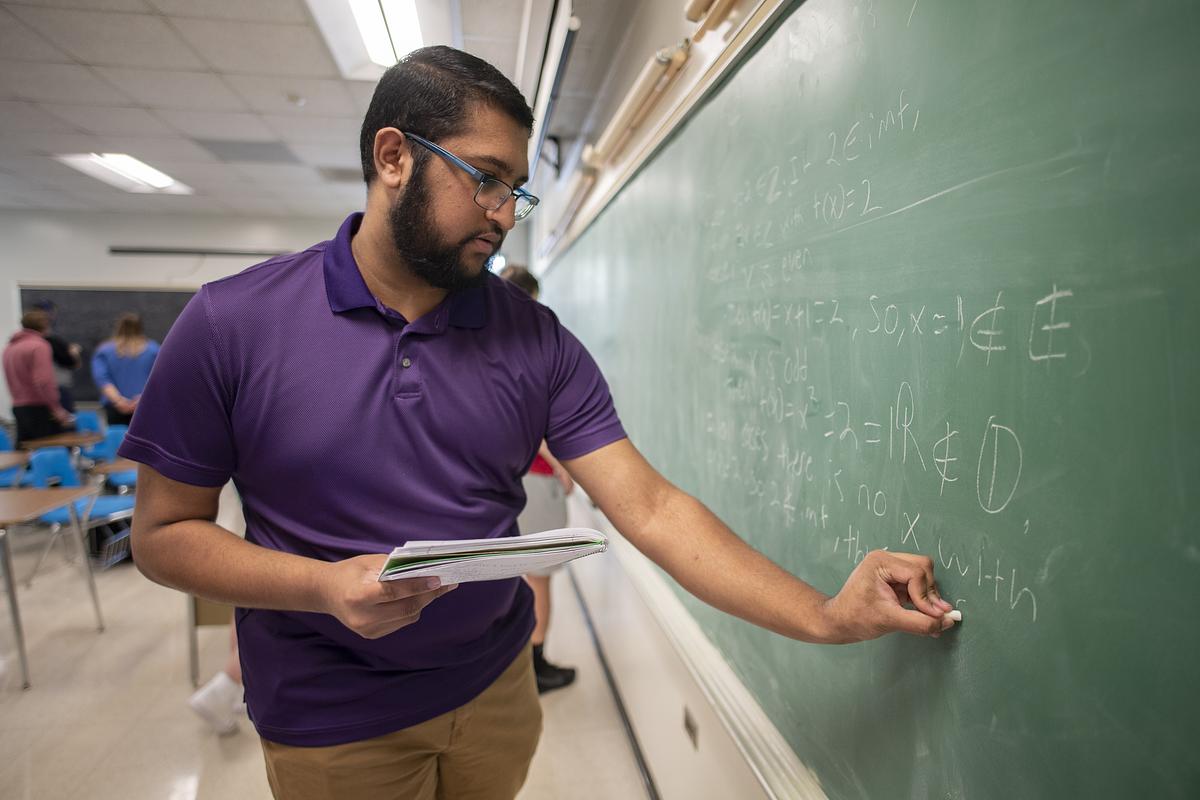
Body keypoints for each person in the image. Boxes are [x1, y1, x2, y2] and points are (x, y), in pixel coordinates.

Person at [123, 46, 956, 800]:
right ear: (393, 156)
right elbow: (162, 535)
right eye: (483, 177)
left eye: (515, 190)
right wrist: (325, 587)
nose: (503, 213)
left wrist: (824, 614)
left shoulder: (535, 338)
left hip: (495, 687)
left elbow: (652, 508)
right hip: (332, 715)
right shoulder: (233, 323)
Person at [500, 264, 578, 693]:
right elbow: (537, 422)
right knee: (539, 577)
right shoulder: (527, 349)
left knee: (515, 575)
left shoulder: (486, 345)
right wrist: (565, 465)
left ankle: (518, 664)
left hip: (509, 477)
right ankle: (536, 665)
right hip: (537, 478)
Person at [3, 309, 73, 445]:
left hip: (19, 407)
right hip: (40, 409)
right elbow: (43, 381)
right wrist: (57, 409)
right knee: (50, 453)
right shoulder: (40, 346)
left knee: (26, 455)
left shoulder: (9, 348)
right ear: (45, 325)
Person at [91, 313, 159, 425]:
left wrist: (119, 401)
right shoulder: (153, 350)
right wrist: (140, 400)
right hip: (144, 406)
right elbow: (159, 378)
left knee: (116, 440)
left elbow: (102, 379)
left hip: (115, 407)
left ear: (118, 326)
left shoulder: (104, 350)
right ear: (140, 327)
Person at [33, 300, 83, 414]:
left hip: (35, 394)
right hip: (56, 389)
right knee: (65, 428)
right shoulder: (51, 341)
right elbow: (73, 363)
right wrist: (73, 353)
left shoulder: (22, 344)